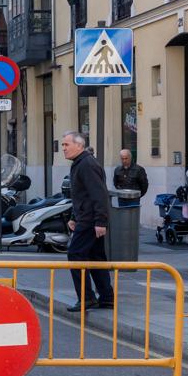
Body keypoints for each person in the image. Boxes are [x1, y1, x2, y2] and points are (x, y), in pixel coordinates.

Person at [62, 131, 114, 312]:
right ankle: (106, 298)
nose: (63, 148)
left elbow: (99, 195)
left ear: (79, 145)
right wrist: (74, 217)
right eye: (63, 145)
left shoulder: (87, 164)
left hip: (91, 220)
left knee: (75, 254)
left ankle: (86, 298)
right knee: (95, 257)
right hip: (86, 218)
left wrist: (101, 221)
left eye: (66, 145)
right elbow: (82, 195)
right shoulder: (80, 163)